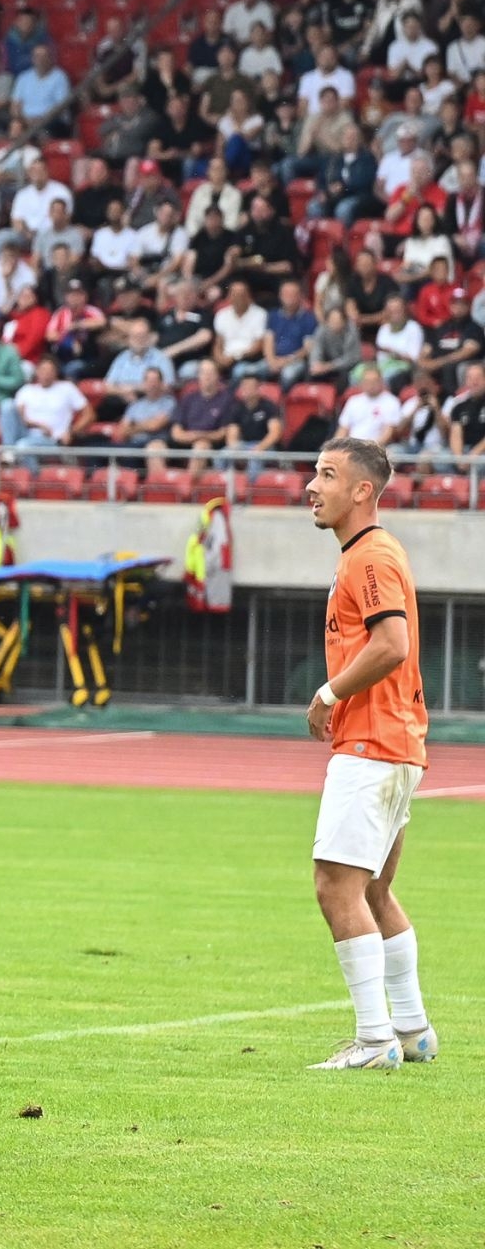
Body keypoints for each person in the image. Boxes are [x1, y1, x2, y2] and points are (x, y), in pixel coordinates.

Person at [301, 437, 434, 1071]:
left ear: (362, 491)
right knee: (375, 890)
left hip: (372, 744)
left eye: (327, 474)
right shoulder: (366, 553)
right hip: (397, 743)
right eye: (314, 472)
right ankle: (412, 1029)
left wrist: (328, 693)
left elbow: (392, 644)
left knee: (336, 887)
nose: (312, 485)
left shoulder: (371, 555)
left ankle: (375, 1040)